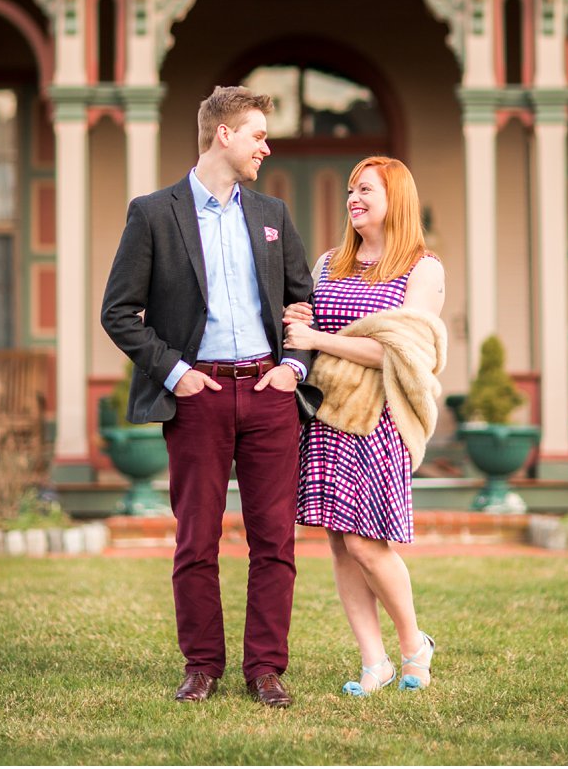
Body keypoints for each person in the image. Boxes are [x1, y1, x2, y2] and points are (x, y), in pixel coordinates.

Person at [100, 86, 314, 708]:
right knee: (197, 538)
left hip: (270, 394)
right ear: (224, 135)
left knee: (274, 540)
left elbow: (302, 302)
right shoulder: (153, 213)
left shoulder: (273, 214)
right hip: (199, 396)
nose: (266, 148)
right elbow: (119, 312)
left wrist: (293, 368)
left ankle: (266, 669)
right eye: (257, 136)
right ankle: (202, 666)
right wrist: (176, 373)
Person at [284, 155, 447, 695]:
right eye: (351, 190)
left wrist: (319, 340)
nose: (353, 199)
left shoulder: (423, 269)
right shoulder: (330, 263)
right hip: (325, 418)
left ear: (394, 198)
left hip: (379, 420)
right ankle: (373, 661)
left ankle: (412, 645)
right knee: (338, 541)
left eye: (366, 190)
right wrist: (298, 322)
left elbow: (403, 352)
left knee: (366, 543)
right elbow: (304, 322)